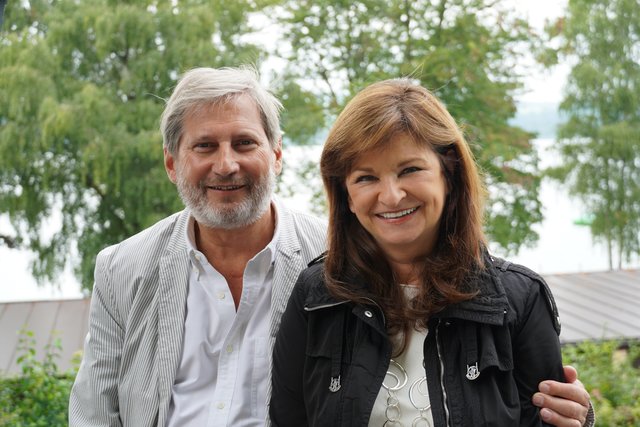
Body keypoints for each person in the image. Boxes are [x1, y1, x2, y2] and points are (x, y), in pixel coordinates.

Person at [68, 66, 591, 426]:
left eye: (244, 143)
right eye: (204, 146)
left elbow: (541, 403)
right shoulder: (125, 269)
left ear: (276, 155)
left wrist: (577, 416)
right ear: (171, 163)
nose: (225, 163)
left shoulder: (331, 271)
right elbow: (93, 412)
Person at [270, 78, 595, 426]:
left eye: (410, 170)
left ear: (449, 174)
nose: (392, 196)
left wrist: (580, 420)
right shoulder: (317, 296)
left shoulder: (519, 301)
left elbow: (554, 419)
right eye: (366, 178)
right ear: (346, 196)